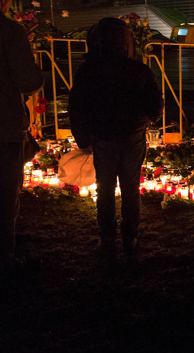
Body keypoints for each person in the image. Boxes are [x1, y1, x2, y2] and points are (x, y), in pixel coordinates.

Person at [68, 18, 163, 262]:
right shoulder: (139, 70)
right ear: (127, 42)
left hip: (102, 137)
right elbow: (155, 107)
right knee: (130, 187)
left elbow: (76, 106)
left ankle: (107, 238)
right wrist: (148, 116)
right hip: (132, 135)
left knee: (105, 186)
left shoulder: (88, 70)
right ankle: (130, 237)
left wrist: (82, 137)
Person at [0, 0, 43, 275]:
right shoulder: (7, 31)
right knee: (3, 197)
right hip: (1, 128)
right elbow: (28, 80)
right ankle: (2, 261)